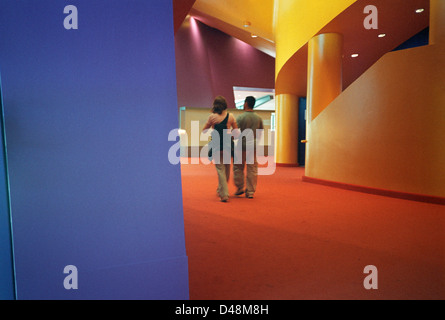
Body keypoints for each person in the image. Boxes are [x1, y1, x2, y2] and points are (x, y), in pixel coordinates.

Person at [202, 96, 238, 202]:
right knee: (226, 170)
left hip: (217, 146)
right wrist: (230, 134)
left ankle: (224, 194)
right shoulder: (230, 116)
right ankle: (221, 190)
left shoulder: (212, 117)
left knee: (220, 170)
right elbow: (236, 132)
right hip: (227, 146)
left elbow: (204, 130)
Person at [233, 96, 263, 199]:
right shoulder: (258, 118)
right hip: (253, 146)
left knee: (238, 167)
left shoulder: (241, 117)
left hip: (241, 145)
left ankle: (240, 187)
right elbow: (260, 133)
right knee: (252, 168)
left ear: (246, 103)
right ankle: (250, 192)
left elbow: (235, 133)